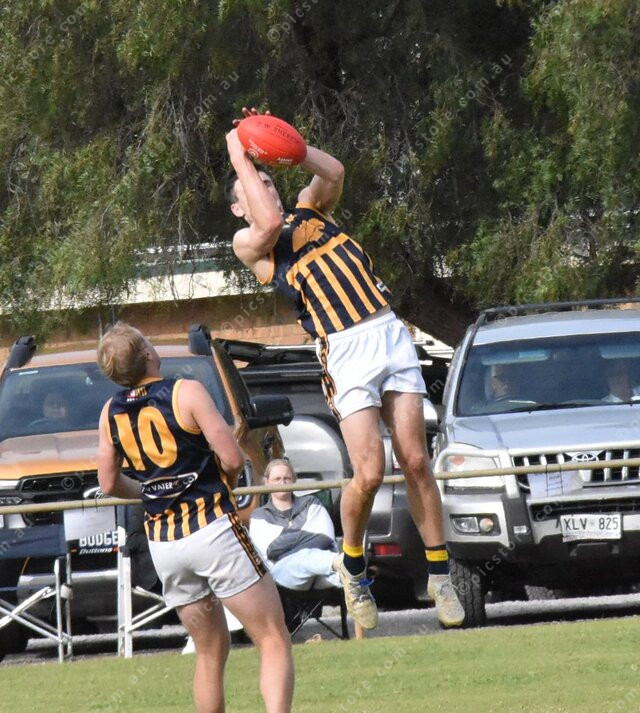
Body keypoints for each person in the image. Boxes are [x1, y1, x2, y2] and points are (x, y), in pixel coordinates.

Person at [225, 108, 464, 630]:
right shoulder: (253, 243)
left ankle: (440, 575)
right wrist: (238, 149)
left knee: (417, 461)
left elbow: (333, 170)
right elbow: (268, 222)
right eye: (254, 187)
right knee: (370, 472)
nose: (267, 189)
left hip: (388, 331)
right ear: (240, 206)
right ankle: (353, 566)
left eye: (269, 180)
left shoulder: (310, 209)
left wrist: (287, 143)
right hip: (344, 348)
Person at [96, 322, 293, 713]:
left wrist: (149, 491)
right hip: (211, 527)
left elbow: (108, 482)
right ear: (147, 353)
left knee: (209, 651)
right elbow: (233, 458)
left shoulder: (110, 411)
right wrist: (227, 485)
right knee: (273, 638)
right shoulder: (186, 391)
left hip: (164, 542)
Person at [249, 459, 341, 592]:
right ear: (267, 482)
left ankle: (354, 585)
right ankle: (342, 563)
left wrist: (289, 541)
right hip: (284, 574)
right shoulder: (259, 515)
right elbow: (271, 550)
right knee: (307, 557)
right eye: (277, 479)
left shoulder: (311, 503)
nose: (282, 483)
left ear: (294, 480)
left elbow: (325, 538)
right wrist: (308, 538)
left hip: (321, 574)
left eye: (287, 478)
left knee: (341, 577)